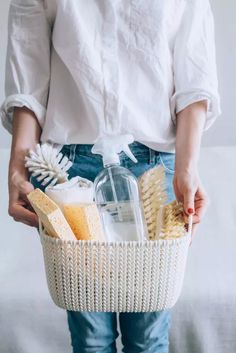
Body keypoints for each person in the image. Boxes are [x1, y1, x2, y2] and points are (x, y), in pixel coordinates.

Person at [0, 0, 221, 352]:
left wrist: (187, 167)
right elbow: (29, 69)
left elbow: (195, 71)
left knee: (148, 339)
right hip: (69, 171)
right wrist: (17, 170)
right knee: (91, 341)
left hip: (155, 168)